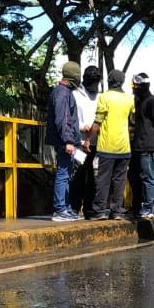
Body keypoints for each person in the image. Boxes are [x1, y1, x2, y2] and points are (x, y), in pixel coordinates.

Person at [89, 69, 134, 219]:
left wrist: (88, 139)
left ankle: (100, 210)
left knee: (103, 179)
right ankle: (117, 211)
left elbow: (98, 121)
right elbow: (132, 120)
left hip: (107, 146)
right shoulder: (129, 99)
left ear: (110, 81)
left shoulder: (104, 97)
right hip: (124, 146)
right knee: (119, 180)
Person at [44, 61, 82, 221]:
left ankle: (65, 207)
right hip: (64, 141)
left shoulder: (60, 92)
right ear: (74, 76)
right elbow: (64, 118)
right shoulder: (63, 93)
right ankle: (60, 209)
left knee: (65, 174)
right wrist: (68, 141)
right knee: (63, 174)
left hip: (63, 140)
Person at [128, 72, 154, 219]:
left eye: (135, 86)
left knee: (148, 177)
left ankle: (148, 207)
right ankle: (153, 204)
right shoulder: (140, 101)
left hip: (147, 146)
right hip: (140, 145)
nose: (133, 88)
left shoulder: (151, 102)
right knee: (144, 176)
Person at [69, 65, 101, 218]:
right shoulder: (75, 95)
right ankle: (74, 207)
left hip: (95, 142)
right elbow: (71, 118)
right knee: (78, 174)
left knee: (91, 176)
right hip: (80, 143)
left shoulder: (100, 96)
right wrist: (82, 127)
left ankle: (89, 207)